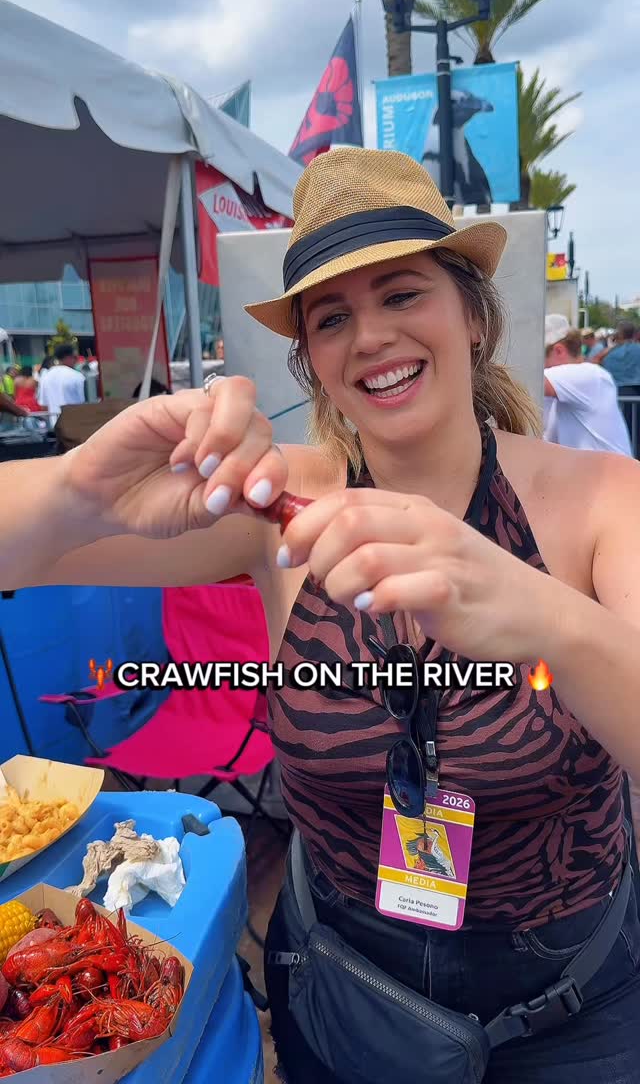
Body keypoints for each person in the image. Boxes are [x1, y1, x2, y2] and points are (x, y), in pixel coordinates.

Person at [2, 148, 640, 1081]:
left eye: (402, 293)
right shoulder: (275, 506)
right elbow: (21, 550)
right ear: (312, 361)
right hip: (344, 984)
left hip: (571, 1007)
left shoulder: (604, 499)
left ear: (474, 313)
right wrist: (78, 492)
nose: (370, 335)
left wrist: (544, 616)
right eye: (333, 317)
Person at [543, 313, 632, 455]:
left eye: (539, 358)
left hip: (607, 470)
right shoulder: (566, 387)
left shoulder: (588, 375)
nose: (540, 365)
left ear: (559, 351)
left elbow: (527, 380)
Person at [36, 343, 86, 424]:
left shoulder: (46, 377)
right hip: (76, 423)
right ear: (68, 357)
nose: (76, 360)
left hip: (55, 424)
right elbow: (85, 403)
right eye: (75, 357)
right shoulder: (77, 376)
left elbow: (44, 406)